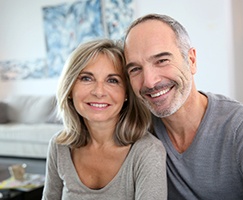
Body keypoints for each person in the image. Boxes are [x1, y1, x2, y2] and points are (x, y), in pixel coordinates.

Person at [123, 13, 243, 199]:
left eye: (162, 61)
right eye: (135, 69)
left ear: (191, 60)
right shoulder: (137, 130)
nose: (150, 82)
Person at [42, 39, 167, 200]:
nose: (99, 92)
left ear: (127, 93)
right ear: (70, 88)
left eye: (112, 80)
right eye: (87, 78)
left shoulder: (148, 151)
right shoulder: (59, 146)